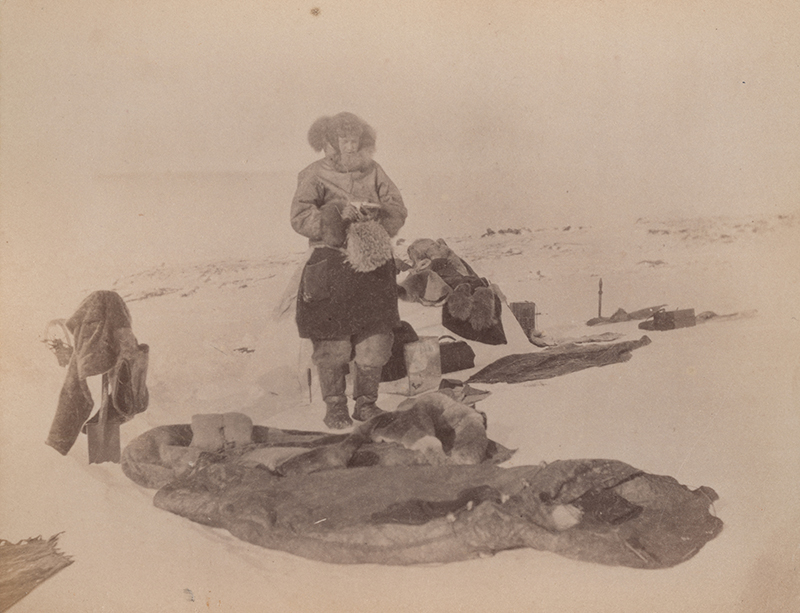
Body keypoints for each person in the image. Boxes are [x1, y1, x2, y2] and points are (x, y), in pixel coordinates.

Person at [291, 112, 407, 429]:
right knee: (332, 343)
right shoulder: (313, 174)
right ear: (329, 141)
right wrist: (334, 219)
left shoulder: (375, 171)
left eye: (354, 139)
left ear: (363, 140)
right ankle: (335, 407)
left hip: (372, 265)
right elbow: (300, 216)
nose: (349, 144)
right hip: (329, 265)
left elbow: (397, 207)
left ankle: (367, 405)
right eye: (343, 139)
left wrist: (375, 220)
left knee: (376, 339)